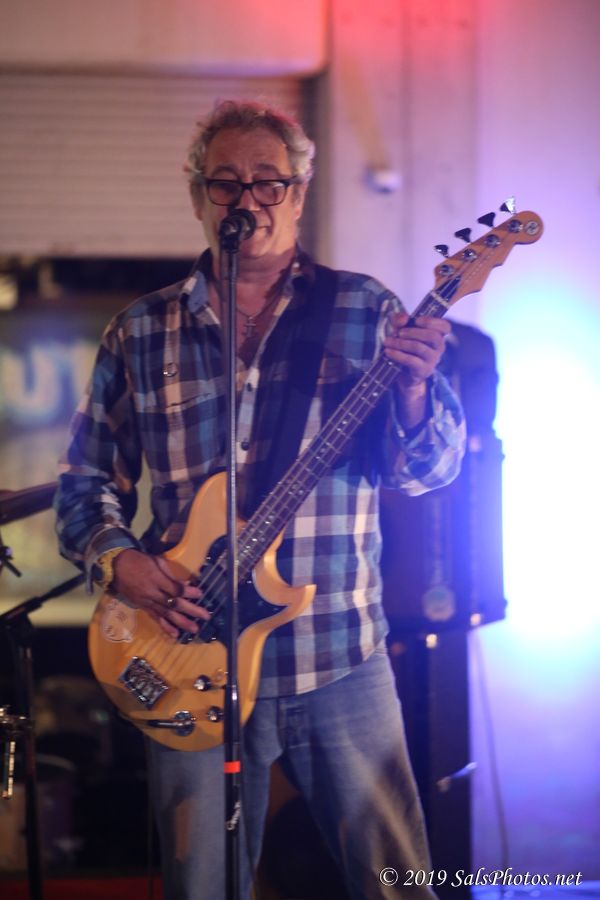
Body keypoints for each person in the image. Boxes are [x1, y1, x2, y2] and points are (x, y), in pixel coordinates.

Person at [55, 99, 466, 899]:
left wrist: (415, 393)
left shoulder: (366, 311)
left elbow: (427, 471)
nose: (247, 199)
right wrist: (120, 562)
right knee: (201, 886)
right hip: (185, 652)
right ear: (199, 197)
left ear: (299, 194)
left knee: (396, 880)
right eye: (226, 182)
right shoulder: (141, 331)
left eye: (268, 181)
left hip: (337, 651)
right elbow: (86, 480)